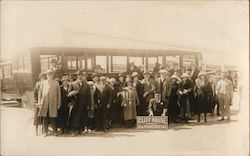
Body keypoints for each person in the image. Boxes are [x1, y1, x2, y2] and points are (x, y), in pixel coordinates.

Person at [38, 69, 61, 137]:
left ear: (53, 75)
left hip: (53, 103)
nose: (49, 76)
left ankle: (55, 131)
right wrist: (39, 102)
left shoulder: (56, 83)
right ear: (47, 75)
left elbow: (59, 94)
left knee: (53, 117)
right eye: (48, 74)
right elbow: (40, 93)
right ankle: (45, 132)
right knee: (45, 117)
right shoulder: (43, 83)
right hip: (45, 103)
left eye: (51, 74)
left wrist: (59, 103)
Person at [68, 70, 90, 136]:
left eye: (81, 75)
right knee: (74, 117)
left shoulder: (86, 85)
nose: (80, 76)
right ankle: (73, 130)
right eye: (78, 75)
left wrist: (88, 104)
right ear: (77, 76)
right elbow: (68, 94)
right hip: (75, 103)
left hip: (83, 103)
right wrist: (72, 93)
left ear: (83, 76)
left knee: (82, 116)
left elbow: (88, 95)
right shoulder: (72, 84)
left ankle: (80, 130)